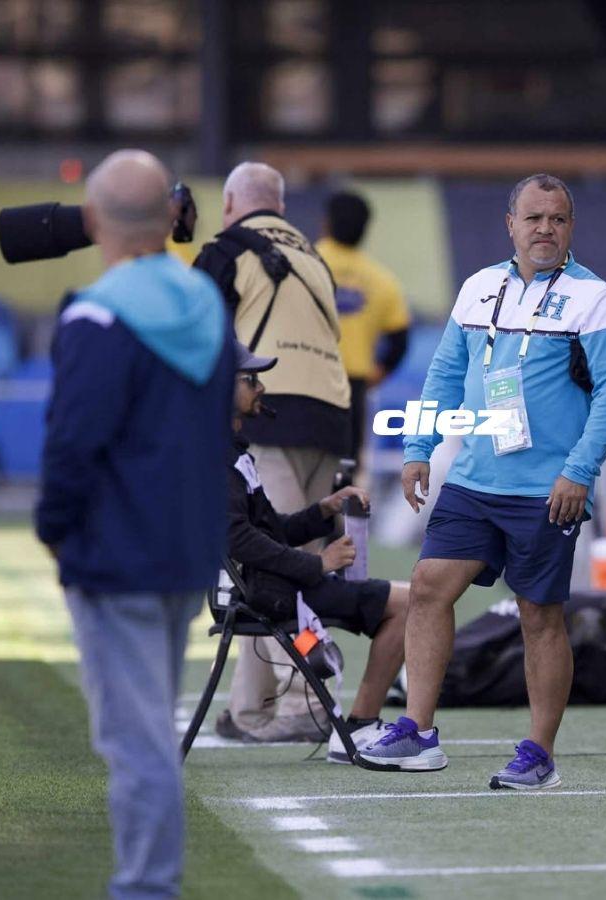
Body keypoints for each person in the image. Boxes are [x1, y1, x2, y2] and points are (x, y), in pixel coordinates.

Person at [358, 174, 606, 789]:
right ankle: (420, 732)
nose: (545, 229)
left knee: (539, 615)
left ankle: (539, 753)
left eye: (558, 219)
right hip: (475, 476)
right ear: (509, 223)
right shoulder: (480, 288)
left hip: (549, 486)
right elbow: (445, 371)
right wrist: (419, 446)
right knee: (430, 586)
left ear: (571, 228)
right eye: (533, 218)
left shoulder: (597, 299)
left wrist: (579, 472)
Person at [35, 149, 233, 898]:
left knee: (136, 737)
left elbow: (73, 441)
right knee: (149, 727)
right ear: (169, 217)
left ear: (93, 221)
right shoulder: (207, 307)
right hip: (186, 548)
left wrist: (54, 527)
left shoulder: (99, 314)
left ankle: (147, 887)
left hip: (115, 551)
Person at [193, 162, 351, 743]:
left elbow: (197, 334)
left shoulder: (228, 249)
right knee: (277, 566)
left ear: (232, 200)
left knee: (264, 564)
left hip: (268, 405)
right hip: (332, 414)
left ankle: (303, 705)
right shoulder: (315, 257)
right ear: (279, 206)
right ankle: (251, 707)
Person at [220, 342, 409, 761]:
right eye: (249, 380)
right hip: (276, 592)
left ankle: (357, 723)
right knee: (412, 604)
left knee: (411, 601)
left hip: (279, 585)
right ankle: (358, 727)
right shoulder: (217, 455)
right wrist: (317, 563)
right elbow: (238, 540)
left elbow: (276, 529)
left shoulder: (232, 451)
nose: (261, 387)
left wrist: (323, 511)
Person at [316, 191, 412, 469]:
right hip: (353, 388)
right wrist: (374, 376)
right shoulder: (383, 280)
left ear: (326, 223)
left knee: (302, 468)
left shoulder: (303, 264)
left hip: (307, 381)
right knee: (346, 472)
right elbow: (399, 341)